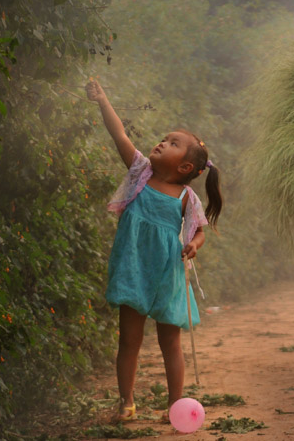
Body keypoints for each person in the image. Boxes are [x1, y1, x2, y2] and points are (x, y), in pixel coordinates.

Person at [86, 79, 222, 423]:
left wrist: (193, 244)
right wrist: (103, 100)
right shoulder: (140, 173)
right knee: (129, 340)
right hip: (134, 269)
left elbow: (200, 233)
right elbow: (120, 136)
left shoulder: (186, 199)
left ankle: (175, 405)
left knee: (170, 343)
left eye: (173, 143)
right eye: (165, 138)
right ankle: (127, 402)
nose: (163, 143)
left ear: (186, 168)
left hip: (167, 275)